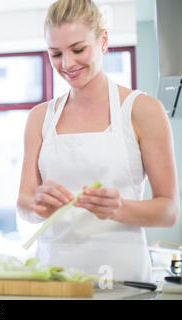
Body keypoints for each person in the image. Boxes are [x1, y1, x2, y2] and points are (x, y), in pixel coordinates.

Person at [17, 0, 179, 282]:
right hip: (54, 275)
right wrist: (36, 206)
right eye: (55, 54)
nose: (67, 64)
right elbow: (24, 203)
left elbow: (168, 211)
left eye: (78, 49)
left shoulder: (143, 110)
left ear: (103, 41)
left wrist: (119, 208)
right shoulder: (39, 118)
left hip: (122, 278)